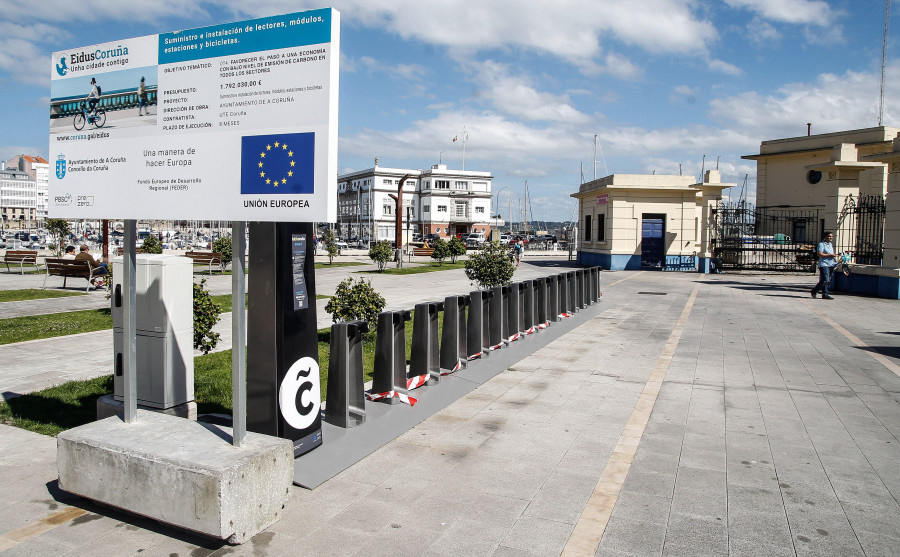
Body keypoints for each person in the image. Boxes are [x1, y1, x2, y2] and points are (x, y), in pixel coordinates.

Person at [810, 231, 837, 300]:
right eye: (829, 236)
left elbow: (831, 254)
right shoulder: (821, 244)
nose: (830, 238)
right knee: (825, 280)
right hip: (824, 264)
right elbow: (819, 254)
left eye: (831, 236)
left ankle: (825, 294)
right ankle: (814, 291)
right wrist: (830, 255)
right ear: (825, 237)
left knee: (827, 280)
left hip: (831, 264)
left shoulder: (830, 244)